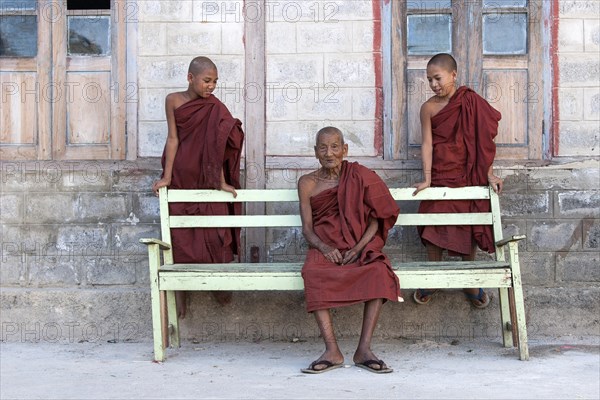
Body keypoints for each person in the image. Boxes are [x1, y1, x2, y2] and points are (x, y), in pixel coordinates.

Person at [298, 127, 401, 374]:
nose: (329, 153)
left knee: (378, 270)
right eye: (323, 147)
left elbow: (376, 218)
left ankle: (363, 349)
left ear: (345, 149)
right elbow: (307, 229)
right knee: (313, 273)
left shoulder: (359, 176)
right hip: (324, 247)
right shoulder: (307, 183)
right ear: (315, 152)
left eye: (335, 146)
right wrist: (324, 247)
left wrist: (359, 247)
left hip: (357, 245)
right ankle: (331, 351)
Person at [152, 56, 244, 316]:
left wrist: (221, 181)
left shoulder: (215, 107)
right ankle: (181, 293)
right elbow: (173, 139)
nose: (211, 86)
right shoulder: (173, 100)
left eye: (215, 81)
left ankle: (218, 284)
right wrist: (167, 177)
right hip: (182, 176)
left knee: (216, 233)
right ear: (190, 77)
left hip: (209, 179)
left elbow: (223, 143)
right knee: (181, 237)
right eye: (206, 80)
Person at [412, 53, 503, 308]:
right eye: (429, 80)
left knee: (468, 228)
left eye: (438, 78)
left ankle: (469, 280)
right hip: (440, 177)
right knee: (432, 227)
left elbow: (483, 142)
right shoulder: (428, 108)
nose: (434, 85)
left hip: (467, 178)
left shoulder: (470, 102)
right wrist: (427, 180)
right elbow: (427, 144)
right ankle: (434, 277)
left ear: (453, 75)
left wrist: (488, 175)